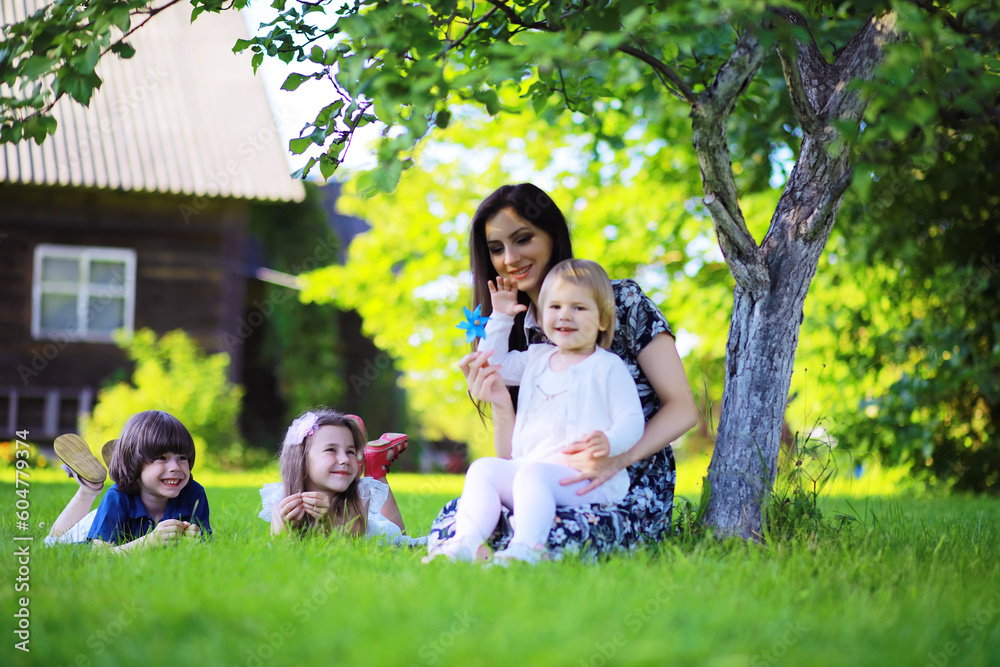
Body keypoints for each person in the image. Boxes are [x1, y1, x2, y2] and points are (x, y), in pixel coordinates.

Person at [427, 183, 699, 560]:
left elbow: (683, 407)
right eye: (496, 249)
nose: (509, 258)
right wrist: (503, 406)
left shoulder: (620, 300)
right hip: (544, 477)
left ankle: (523, 548)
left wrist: (616, 459)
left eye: (523, 240)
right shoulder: (522, 332)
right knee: (466, 512)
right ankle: (473, 548)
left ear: (552, 237)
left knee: (551, 528)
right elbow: (517, 453)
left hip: (624, 477)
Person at [433, 260, 645, 564]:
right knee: (483, 468)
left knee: (533, 475)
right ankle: (465, 543)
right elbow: (495, 364)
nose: (565, 315)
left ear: (602, 320)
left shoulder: (607, 367)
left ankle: (527, 548)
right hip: (532, 470)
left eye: (579, 308)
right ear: (542, 316)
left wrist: (611, 442)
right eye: (554, 307)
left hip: (585, 479)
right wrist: (503, 316)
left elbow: (632, 419)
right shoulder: (537, 359)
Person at [45, 410, 211, 552]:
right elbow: (99, 554)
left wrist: (195, 539)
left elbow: (204, 547)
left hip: (126, 511)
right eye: (161, 458)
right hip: (101, 521)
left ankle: (129, 461)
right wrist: (149, 541)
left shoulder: (194, 494)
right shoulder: (116, 498)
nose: (175, 467)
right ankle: (89, 488)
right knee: (52, 543)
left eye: (182, 458)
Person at [259, 408, 425, 546]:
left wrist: (328, 520)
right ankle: (373, 461)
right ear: (300, 460)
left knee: (401, 539)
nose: (345, 459)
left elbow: (353, 543)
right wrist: (284, 525)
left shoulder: (359, 495)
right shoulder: (281, 499)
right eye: (331, 450)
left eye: (350, 452)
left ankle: (376, 471)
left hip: (379, 535)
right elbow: (279, 549)